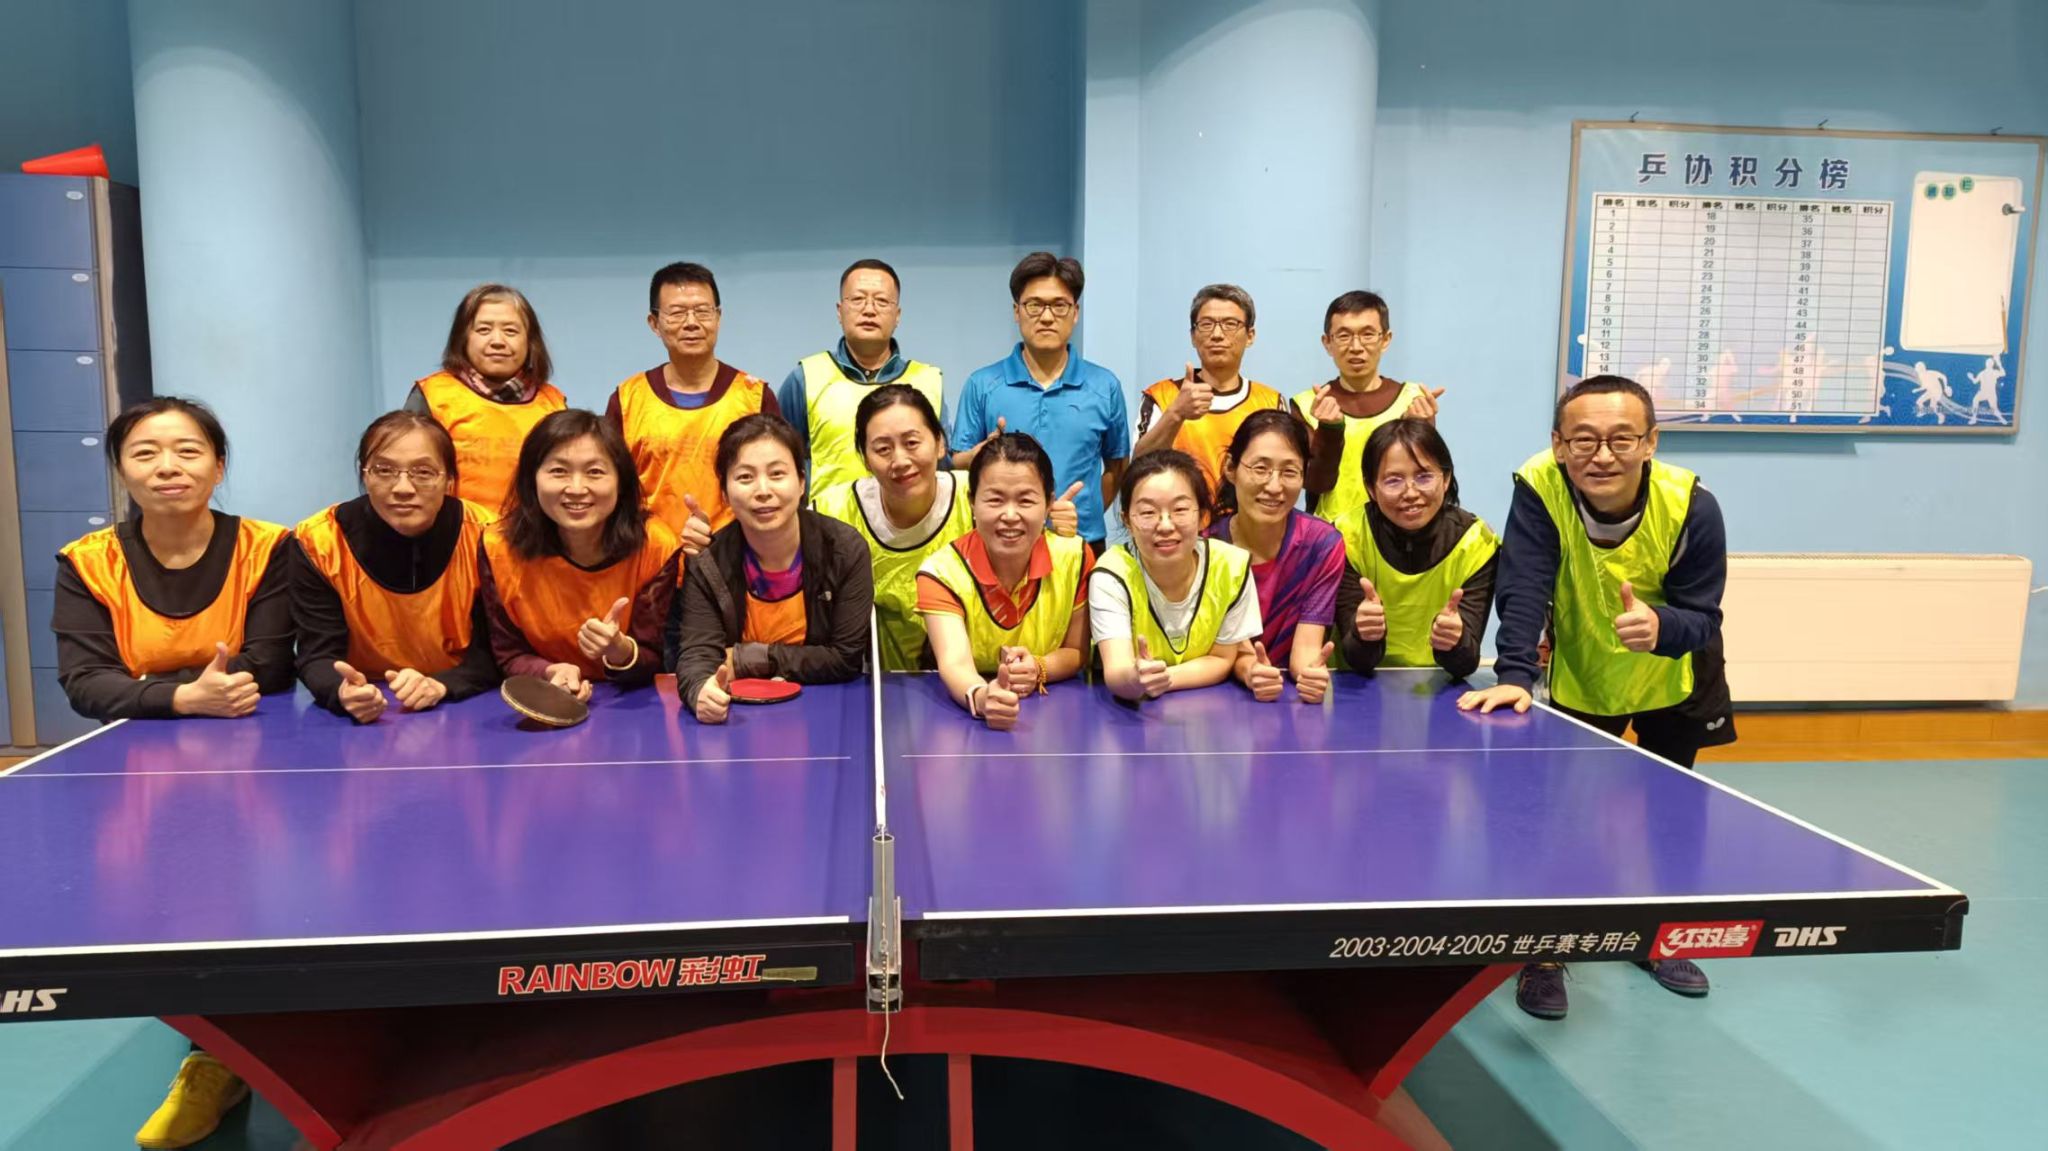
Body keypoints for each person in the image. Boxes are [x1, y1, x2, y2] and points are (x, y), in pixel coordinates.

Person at [49, 398, 289, 1150]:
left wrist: (159, 687)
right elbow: (85, 681)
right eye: (145, 452)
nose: (167, 467)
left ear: (218, 466)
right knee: (163, 916)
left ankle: (234, 1048)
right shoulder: (86, 561)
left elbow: (272, 659)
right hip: (139, 773)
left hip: (253, 762)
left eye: (187, 451)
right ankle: (214, 1057)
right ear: (121, 469)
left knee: (246, 908)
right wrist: (184, 697)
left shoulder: (267, 547)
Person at [1457, 375, 1734, 1019]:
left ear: (1650, 442)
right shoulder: (1540, 485)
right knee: (1560, 818)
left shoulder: (1693, 505)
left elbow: (1705, 616)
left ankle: (1660, 939)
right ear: (1559, 445)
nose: (1602, 455)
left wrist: (1663, 626)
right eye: (1583, 440)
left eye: (1621, 439)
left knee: (1669, 819)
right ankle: (1547, 950)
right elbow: (1525, 584)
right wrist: (1513, 675)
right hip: (1583, 667)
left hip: (1675, 676)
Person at [290, 411, 501, 722]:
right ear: (365, 475)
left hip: (464, 704)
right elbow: (316, 655)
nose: (403, 488)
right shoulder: (318, 542)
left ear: (449, 481)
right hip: (367, 702)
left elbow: (496, 649)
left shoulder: (488, 536)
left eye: (423, 472)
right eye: (384, 470)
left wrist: (441, 685)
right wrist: (340, 691)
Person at [673, 414, 875, 724]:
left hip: (826, 714)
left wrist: (749, 658)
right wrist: (700, 690)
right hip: (739, 716)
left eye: (777, 474)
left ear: (802, 482)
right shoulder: (708, 562)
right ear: (725, 493)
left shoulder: (845, 551)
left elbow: (845, 657)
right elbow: (697, 655)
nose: (763, 490)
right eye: (745, 477)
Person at [479, 409, 680, 700]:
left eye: (595, 472)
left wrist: (620, 650)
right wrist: (550, 671)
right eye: (558, 471)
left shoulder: (656, 546)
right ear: (532, 479)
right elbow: (508, 653)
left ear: (621, 481)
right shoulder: (498, 548)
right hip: (544, 699)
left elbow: (659, 656)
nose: (576, 489)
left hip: (632, 703)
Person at [949, 252, 1130, 554]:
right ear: (1016, 311)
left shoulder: (1104, 385)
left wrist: (1085, 511)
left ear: (1075, 312)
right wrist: (977, 455)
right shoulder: (982, 384)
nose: (1047, 317)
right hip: (1002, 543)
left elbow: (1117, 466)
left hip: (1081, 542)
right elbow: (957, 463)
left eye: (1059, 305)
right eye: (1034, 305)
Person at [918, 433, 1093, 729]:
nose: (1010, 515)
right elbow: (955, 663)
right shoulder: (941, 573)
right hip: (959, 715)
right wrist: (982, 697)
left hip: (1055, 722)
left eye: (1025, 500)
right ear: (972, 502)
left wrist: (1040, 667)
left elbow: (1077, 652)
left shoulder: (1076, 558)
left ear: (1049, 503)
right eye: (995, 500)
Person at [607, 261, 776, 547]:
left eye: (702, 311)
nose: (691, 323)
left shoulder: (755, 396)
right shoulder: (627, 400)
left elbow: (775, 484)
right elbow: (612, 489)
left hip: (737, 556)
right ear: (654, 323)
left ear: (718, 317)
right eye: (676, 313)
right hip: (650, 557)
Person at [811, 386, 976, 670]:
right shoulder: (832, 512)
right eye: (883, 449)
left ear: (940, 443)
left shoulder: (978, 497)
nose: (900, 461)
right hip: (869, 678)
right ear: (865, 458)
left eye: (912, 443)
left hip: (978, 674)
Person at [1090, 450, 1272, 703]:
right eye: (1148, 512)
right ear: (1127, 521)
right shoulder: (1111, 574)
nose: (1165, 525)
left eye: (1180, 509)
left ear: (1202, 516)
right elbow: (1117, 671)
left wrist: (1162, 678)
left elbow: (1222, 658)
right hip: (1130, 717)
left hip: (1208, 711)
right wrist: (1134, 678)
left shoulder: (1231, 566)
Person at [1332, 418, 1497, 679]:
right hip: (1358, 686)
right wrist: (1364, 635)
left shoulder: (1477, 544)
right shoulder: (1346, 537)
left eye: (1424, 477)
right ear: (1371, 488)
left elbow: (1465, 664)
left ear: (1446, 479)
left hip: (1442, 688)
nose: (1410, 492)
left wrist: (1455, 643)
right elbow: (1357, 659)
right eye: (1393, 480)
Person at [1204, 411, 1345, 703]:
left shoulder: (1322, 545)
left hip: (1285, 695)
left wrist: (1310, 674)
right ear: (1231, 468)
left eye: (1289, 472)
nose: (1274, 486)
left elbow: (1306, 648)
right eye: (1260, 468)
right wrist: (1249, 670)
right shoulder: (1206, 549)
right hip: (1214, 694)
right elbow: (1223, 648)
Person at [776, 258, 945, 492]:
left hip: (910, 515)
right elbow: (780, 460)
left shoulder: (928, 380)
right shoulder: (805, 378)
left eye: (882, 301)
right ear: (840, 311)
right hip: (825, 514)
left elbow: (943, 466)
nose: (869, 310)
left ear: (897, 315)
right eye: (857, 299)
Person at [405, 283, 566, 513]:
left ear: (530, 342)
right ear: (463, 339)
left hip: (530, 533)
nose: (497, 340)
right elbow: (407, 474)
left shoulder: (553, 404)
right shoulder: (432, 396)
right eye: (483, 330)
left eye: (510, 331)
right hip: (454, 531)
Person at [1296, 290, 1445, 521]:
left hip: (1398, 531)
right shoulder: (1308, 404)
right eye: (1343, 336)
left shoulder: (1413, 400)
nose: (1356, 346)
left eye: (1367, 334)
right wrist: (1330, 430)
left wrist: (1415, 429)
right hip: (1330, 533)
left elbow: (1426, 479)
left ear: (1385, 339)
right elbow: (1315, 484)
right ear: (1327, 343)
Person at [1133, 283, 1286, 502]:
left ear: (1250, 335)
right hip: (1180, 521)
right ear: (1193, 336)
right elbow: (1138, 471)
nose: (1217, 334)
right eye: (1206, 324)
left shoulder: (1270, 402)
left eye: (1230, 324)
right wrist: (1176, 414)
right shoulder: (1163, 396)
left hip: (1248, 522)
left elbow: (1283, 471)